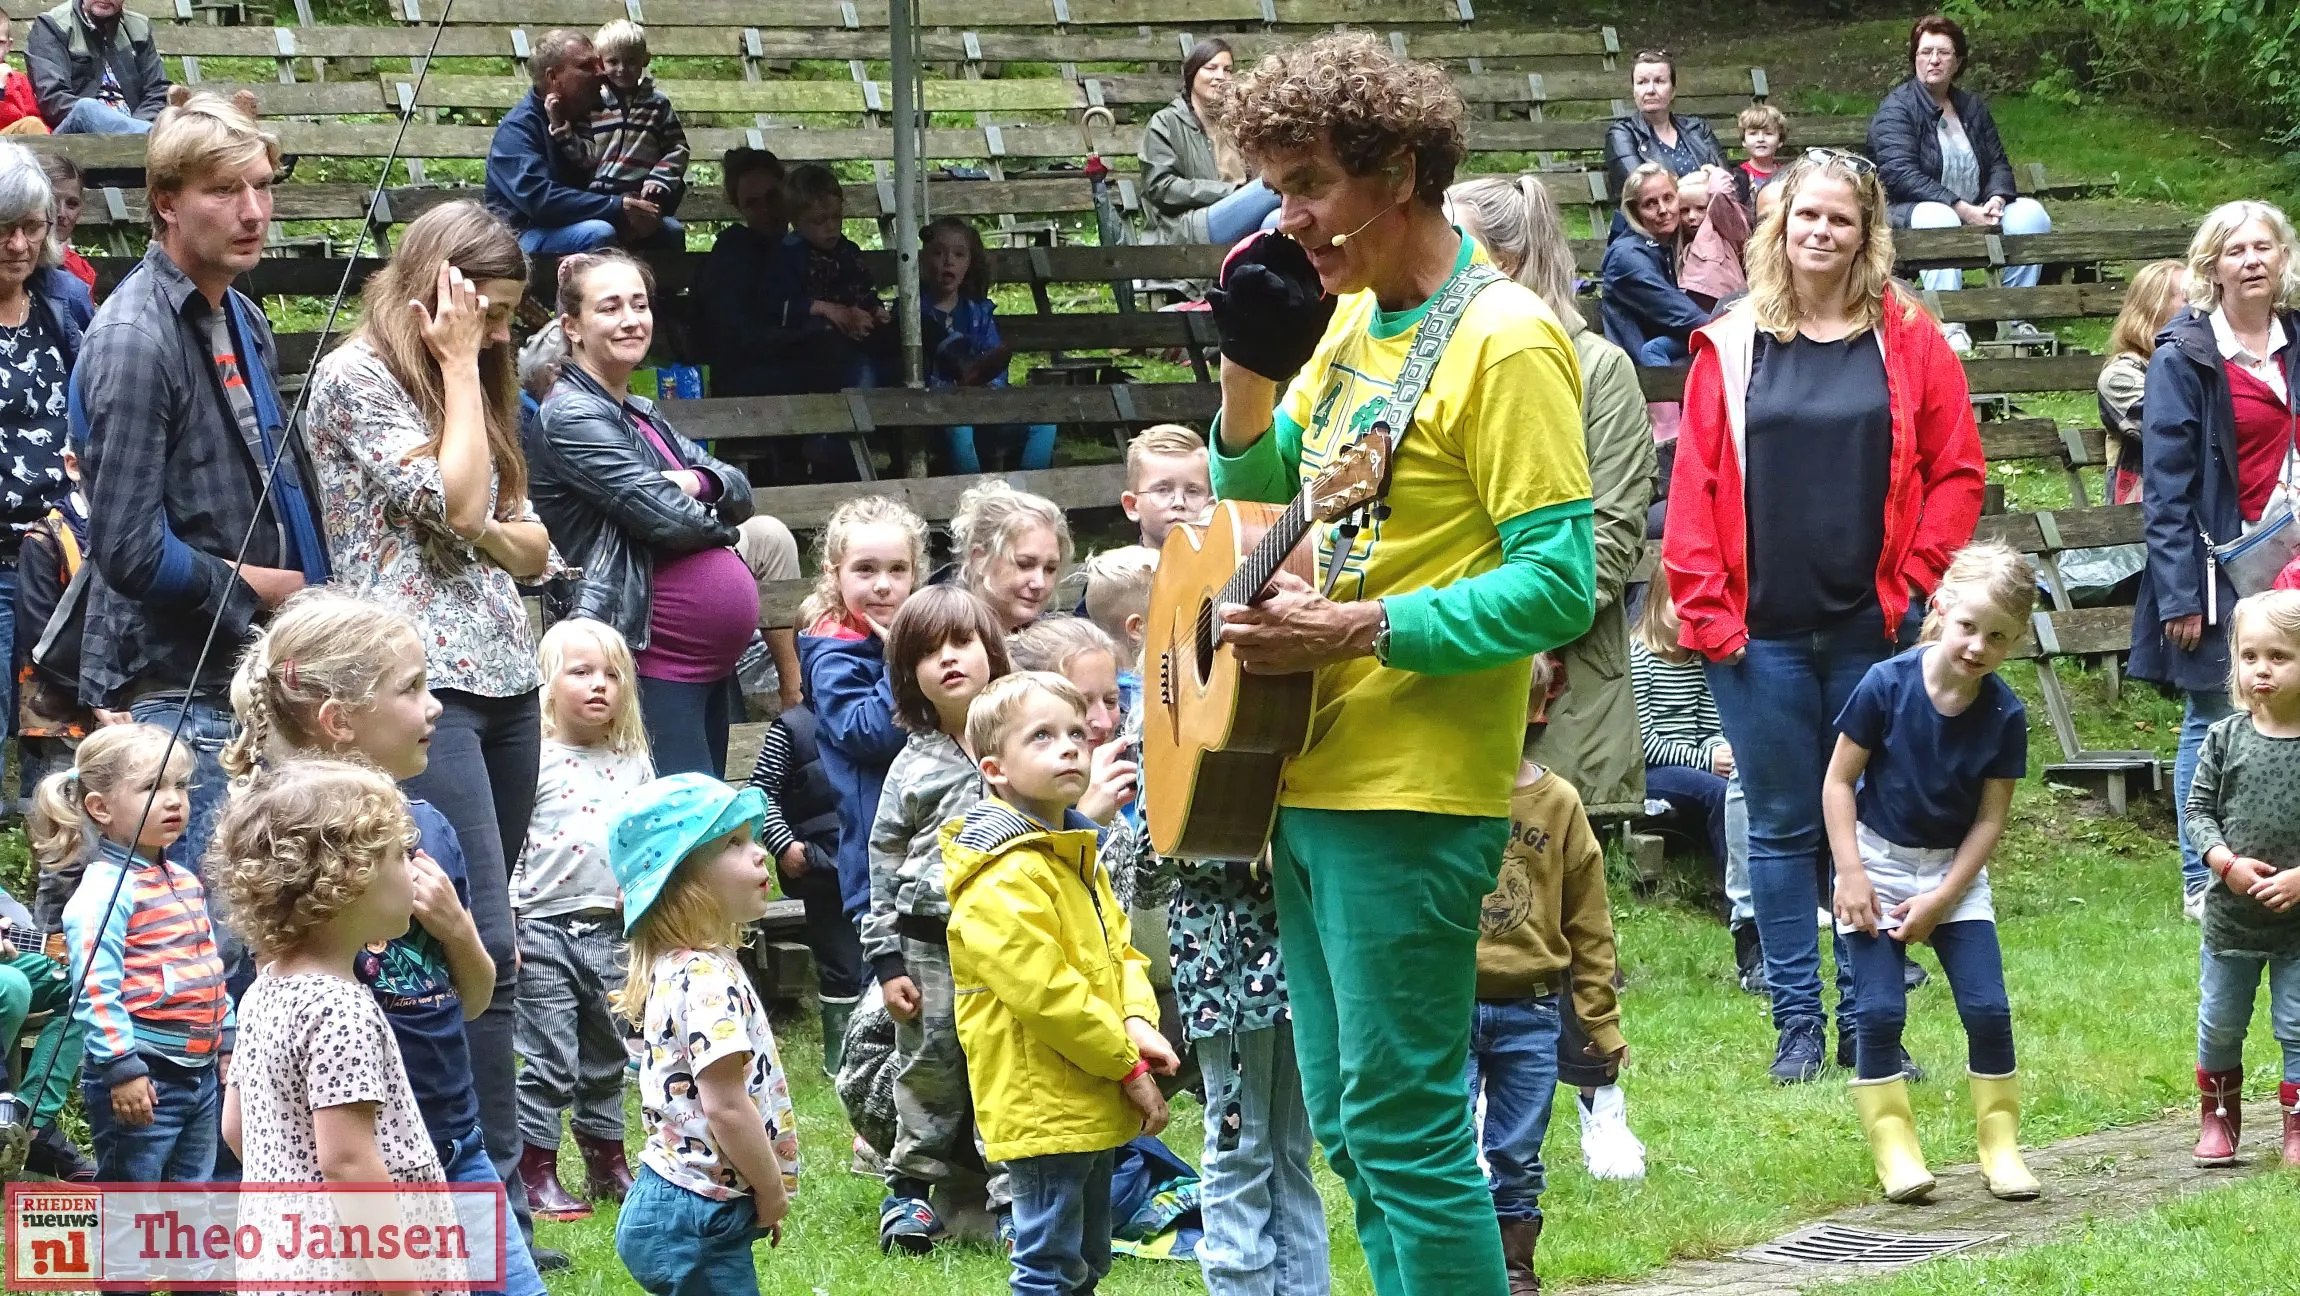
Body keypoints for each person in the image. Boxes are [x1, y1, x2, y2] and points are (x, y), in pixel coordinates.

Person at [1207, 33, 1598, 1295]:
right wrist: (1244, 385)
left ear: (1400, 172)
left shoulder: (1505, 341)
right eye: (1275, 188)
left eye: (1309, 183)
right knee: (1352, 1132)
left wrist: (1360, 629)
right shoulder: (1358, 324)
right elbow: (1275, 507)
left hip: (1412, 788)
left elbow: (1558, 585)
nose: (1292, 219)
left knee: (1410, 1132)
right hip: (1302, 775)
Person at [1663, 148, 1984, 1087]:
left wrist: (1915, 582)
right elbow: (1692, 494)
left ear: (1866, 232)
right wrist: (1713, 623)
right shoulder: (1728, 343)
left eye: (1840, 220)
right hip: (1754, 636)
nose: (1821, 232)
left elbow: (1957, 470)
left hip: (1868, 632)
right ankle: (1798, 1024)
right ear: (1778, 225)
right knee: (1779, 827)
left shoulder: (1909, 337)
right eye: (1806, 216)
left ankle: (1868, 1021)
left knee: (1868, 824)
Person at [303, 200, 557, 1226]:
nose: (497, 337)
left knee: (493, 934)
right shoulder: (355, 380)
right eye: (484, 314)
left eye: (503, 319)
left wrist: (491, 525)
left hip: (507, 670)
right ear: (433, 294)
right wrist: (458, 368)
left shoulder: (475, 378)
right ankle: (482, 1187)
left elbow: (535, 545)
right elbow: (462, 505)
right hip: (417, 687)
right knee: (462, 925)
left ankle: (476, 1175)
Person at [220, 589, 549, 1296]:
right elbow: (258, 1112)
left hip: (452, 1154)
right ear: (340, 721)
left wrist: (459, 930)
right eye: (412, 688)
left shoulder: (431, 833)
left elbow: (475, 1001)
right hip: (367, 1171)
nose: (435, 706)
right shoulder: (295, 858)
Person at [75, 93, 328, 991]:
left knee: (288, 941)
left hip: (261, 675)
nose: (253, 210)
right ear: (166, 202)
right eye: (224, 190)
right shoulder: (135, 338)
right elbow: (127, 549)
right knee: (225, 959)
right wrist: (265, 585)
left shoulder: (241, 315)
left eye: (261, 186)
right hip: (184, 689)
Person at [942, 671, 1179, 1296]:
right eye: (1042, 737)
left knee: (1089, 1256)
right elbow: (1048, 994)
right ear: (995, 768)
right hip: (1044, 1101)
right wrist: (1127, 1065)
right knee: (1048, 1265)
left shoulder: (1072, 851)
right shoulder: (1002, 875)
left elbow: (1119, 948)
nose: (1070, 746)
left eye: (1076, 732)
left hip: (1091, 1085)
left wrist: (1137, 1020)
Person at [1824, 540, 2040, 1203]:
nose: (1978, 646)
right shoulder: (1884, 686)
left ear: (2014, 642)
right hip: (1878, 868)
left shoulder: (2005, 714)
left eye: (1998, 637)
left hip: (1955, 877)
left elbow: (1988, 821)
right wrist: (1851, 874)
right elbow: (1837, 783)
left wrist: (1945, 898)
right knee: (1880, 1011)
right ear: (1941, 608)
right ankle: (1896, 1150)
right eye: (1970, 626)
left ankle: (1999, 1147)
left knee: (1988, 1008)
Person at [213, 761, 479, 1292]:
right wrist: (404, 1286)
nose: (417, 869)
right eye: (401, 855)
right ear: (348, 880)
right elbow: (350, 1164)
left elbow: (236, 1129)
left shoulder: (266, 989)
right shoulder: (341, 1009)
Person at [2131, 201, 2300, 916]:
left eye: (2265, 246)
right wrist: (2179, 597)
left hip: (2292, 554)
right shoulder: (2185, 354)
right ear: (2212, 267)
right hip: (2216, 567)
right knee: (2212, 718)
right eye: (2237, 251)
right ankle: (2201, 879)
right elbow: (2165, 488)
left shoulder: (2297, 340)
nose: (2253, 260)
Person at [529, 249, 757, 778]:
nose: (631, 319)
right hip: (648, 657)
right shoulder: (570, 415)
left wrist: (695, 482)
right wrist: (722, 527)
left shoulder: (638, 410)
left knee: (703, 820)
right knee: (679, 831)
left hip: (700, 665)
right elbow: (668, 519)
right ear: (573, 326)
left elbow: (741, 489)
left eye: (640, 304)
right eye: (609, 308)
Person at [1468, 657, 1626, 1293]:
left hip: (1531, 1010)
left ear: (1539, 710)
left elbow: (1590, 920)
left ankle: (1515, 1269)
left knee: (1516, 1150)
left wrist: (1599, 1017)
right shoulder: (1450, 792)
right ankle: (1466, 1264)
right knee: (1450, 1143)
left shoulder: (1558, 803)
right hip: (1450, 1002)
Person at [862, 585, 1013, 1253]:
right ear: (908, 675)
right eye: (928, 653)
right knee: (927, 1065)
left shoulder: (1020, 741)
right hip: (927, 945)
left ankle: (1014, 1197)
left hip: (1009, 942)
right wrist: (886, 961)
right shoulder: (912, 764)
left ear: (992, 653)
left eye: (961, 644)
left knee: (1005, 1066)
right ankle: (909, 1192)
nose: (948, 661)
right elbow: (881, 864)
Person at [607, 774, 799, 1296]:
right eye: (734, 843)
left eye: (752, 838)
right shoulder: (707, 980)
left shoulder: (694, 966)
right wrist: (770, 1189)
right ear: (682, 882)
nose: (760, 853)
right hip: (695, 1214)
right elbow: (727, 1108)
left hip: (692, 1203)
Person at [511, 618, 655, 1221]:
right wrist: (505, 919)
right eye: (581, 672)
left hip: (610, 929)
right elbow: (509, 843)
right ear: (546, 684)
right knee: (550, 1058)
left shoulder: (633, 760)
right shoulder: (532, 760)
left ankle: (606, 1161)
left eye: (612, 674)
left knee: (607, 1054)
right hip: (541, 926)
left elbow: (650, 839)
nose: (600, 685)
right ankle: (534, 1168)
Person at [50, 722, 226, 1187]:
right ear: (100, 808)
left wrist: (225, 1036)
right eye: (152, 787)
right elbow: (93, 988)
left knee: (193, 1187)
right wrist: (120, 1067)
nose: (174, 799)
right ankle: (126, 1264)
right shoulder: (105, 890)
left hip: (198, 1071)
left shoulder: (184, 881)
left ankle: (185, 1262)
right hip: (143, 1073)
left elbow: (207, 967)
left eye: (181, 786)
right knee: (134, 1189)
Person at [2188, 589, 2300, 1169]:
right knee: (2220, 1020)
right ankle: (2219, 1118)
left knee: (2297, 1023)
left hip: (2299, 924)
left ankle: (2296, 1130)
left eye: (2279, 656)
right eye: (2249, 655)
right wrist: (2224, 863)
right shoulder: (2224, 738)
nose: (2261, 669)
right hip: (2233, 919)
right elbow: (2196, 812)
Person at [1867, 13, 2054, 351]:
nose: (1933, 60)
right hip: (1911, 212)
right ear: (1914, 59)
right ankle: (1950, 323)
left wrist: (1997, 197)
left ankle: (2015, 316)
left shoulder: (1972, 107)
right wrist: (1959, 207)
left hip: (1974, 207)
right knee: (1940, 217)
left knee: (2031, 214)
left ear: (1958, 61)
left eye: (1943, 52)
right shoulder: (1896, 109)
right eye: (1925, 52)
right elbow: (1898, 174)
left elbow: (1997, 162)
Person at [0, 145, 88, 778]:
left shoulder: (65, 303)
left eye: (31, 227)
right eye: (3, 229)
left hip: (61, 549)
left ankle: (56, 864)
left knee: (56, 725)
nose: (18, 244)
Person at [797, 495, 925, 928]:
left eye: (897, 570)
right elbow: (867, 734)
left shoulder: (895, 639)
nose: (883, 585)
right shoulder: (833, 654)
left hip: (919, 840)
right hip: (877, 862)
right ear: (836, 574)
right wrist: (899, 663)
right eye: (865, 569)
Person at [1632, 591, 1758, 991]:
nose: (1688, 617)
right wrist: (1705, 761)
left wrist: (1719, 751)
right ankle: (1737, 901)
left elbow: (1709, 725)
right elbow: (1643, 741)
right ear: (1654, 603)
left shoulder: (1698, 660)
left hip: (1694, 762)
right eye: (1678, 605)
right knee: (1717, 794)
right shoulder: (1640, 658)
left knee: (1743, 785)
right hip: (1652, 771)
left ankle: (1769, 896)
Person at [743, 669, 867, 1078]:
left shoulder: (878, 720)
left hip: (878, 864)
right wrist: (784, 844)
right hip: (821, 866)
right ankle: (843, 1060)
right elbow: (763, 791)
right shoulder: (792, 728)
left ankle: (883, 1056)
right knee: (842, 965)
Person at [484, 31, 661, 256]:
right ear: (553, 77)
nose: (601, 72)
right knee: (598, 233)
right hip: (524, 235)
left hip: (592, 217)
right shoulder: (517, 130)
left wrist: (649, 203)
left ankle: (658, 292)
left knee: (668, 232)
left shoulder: (599, 116)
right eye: (587, 66)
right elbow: (541, 201)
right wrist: (615, 207)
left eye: (599, 63)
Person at [923, 216, 1054, 474]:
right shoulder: (914, 312)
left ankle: (1029, 497)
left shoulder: (978, 313)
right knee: (959, 427)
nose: (948, 261)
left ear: (969, 263)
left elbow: (996, 365)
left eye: (959, 255)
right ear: (925, 260)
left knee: (1045, 420)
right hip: (939, 412)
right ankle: (975, 496)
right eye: (939, 253)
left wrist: (988, 389)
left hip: (984, 405)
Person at [14, 440, 92, 817]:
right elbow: (40, 640)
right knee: (67, 829)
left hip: (117, 706)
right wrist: (99, 697)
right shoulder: (44, 539)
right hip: (61, 712)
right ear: (73, 465)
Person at [1140, 38, 1280, 247]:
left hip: (1243, 213)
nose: (1220, 77)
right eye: (1211, 68)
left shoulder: (1239, 122)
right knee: (1275, 185)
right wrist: (1230, 191)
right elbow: (1161, 187)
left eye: (1227, 69)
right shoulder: (1165, 123)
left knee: (1276, 221)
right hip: (1189, 226)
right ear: (1192, 73)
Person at [780, 163, 892, 392]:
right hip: (815, 342)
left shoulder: (847, 250)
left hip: (860, 329)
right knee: (856, 367)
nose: (831, 227)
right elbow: (781, 305)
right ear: (796, 221)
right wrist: (828, 312)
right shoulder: (789, 256)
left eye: (836, 217)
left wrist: (875, 309)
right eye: (820, 221)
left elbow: (862, 287)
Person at [1601, 164, 1710, 366]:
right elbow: (1681, 315)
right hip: (1645, 376)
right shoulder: (1627, 257)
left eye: (1668, 198)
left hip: (1672, 359)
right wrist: (1731, 330)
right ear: (1635, 211)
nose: (1663, 210)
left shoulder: (1665, 243)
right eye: (1650, 204)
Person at [2098, 259, 2187, 508]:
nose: (2205, 306)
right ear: (2155, 308)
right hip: (2147, 520)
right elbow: (2178, 432)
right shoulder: (2120, 377)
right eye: (2190, 297)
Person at [587, 20, 688, 221]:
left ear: (645, 59)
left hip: (642, 192)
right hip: (599, 195)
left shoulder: (657, 104)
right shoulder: (593, 104)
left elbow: (677, 148)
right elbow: (581, 148)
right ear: (600, 63)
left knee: (672, 233)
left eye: (631, 61)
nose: (622, 69)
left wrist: (660, 178)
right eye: (613, 62)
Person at [1601, 48, 1725, 203]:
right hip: (1650, 224)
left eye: (1659, 81)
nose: (1650, 90)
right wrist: (1699, 180)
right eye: (1642, 82)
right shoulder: (1621, 135)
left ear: (1673, 90)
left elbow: (1726, 182)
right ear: (1634, 91)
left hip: (1706, 220)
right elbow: (1643, 191)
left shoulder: (1698, 129)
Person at [26, 0, 165, 135]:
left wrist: (133, 124)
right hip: (76, 136)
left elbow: (157, 91)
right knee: (86, 108)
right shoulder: (53, 26)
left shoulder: (139, 29)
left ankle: (141, 135)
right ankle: (149, 136)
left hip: (136, 126)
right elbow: (52, 97)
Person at [952, 480, 1071, 634]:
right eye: (1024, 564)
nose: (1039, 583)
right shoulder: (936, 635)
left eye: (1050, 569)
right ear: (979, 560)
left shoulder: (1051, 647)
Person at [1119, 423, 1212, 550]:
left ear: (1211, 502)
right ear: (1132, 506)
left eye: (1193, 491)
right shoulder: (1116, 569)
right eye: (1162, 490)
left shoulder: (1232, 566)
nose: (1179, 503)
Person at [1675, 164, 1753, 310]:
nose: (1691, 216)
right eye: (1684, 210)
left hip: (1722, 300)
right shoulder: (1682, 240)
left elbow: (1720, 193)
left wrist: (1713, 171)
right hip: (1693, 302)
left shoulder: (1721, 226)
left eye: (1700, 208)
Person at [34, 155, 91, 290]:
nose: (61, 213)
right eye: (51, 201)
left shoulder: (81, 273)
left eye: (72, 204)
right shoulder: (13, 265)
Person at [0, 14, 48, 134]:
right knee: (31, 124)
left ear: (8, 45)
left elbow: (35, 117)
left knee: (34, 123)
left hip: (18, 146)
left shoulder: (19, 79)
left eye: (0, 42)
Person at [1735, 103, 1785, 211]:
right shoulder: (1737, 177)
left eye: (1768, 133)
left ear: (1780, 141)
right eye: (1753, 133)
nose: (1760, 139)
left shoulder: (1788, 175)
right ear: (1744, 140)